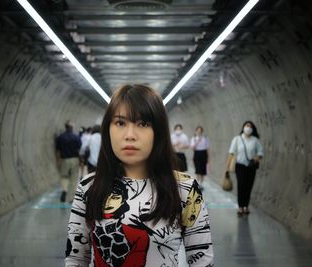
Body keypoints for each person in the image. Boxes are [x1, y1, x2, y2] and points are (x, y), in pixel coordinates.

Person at [65, 84, 213, 266]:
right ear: (108, 129)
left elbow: (202, 259)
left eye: (142, 123)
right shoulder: (89, 187)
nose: (130, 135)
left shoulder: (184, 189)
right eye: (120, 123)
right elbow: (76, 258)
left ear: (158, 131)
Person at [226, 121, 263, 216]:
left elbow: (260, 152)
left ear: (253, 129)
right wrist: (227, 167)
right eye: (247, 126)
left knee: (249, 186)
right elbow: (231, 152)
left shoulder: (255, 140)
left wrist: (257, 157)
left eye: (250, 126)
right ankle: (240, 207)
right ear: (243, 127)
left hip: (251, 167)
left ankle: (246, 206)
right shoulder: (237, 139)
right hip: (240, 166)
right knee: (241, 185)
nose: (248, 128)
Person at [55, 120, 82, 202]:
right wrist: (81, 160)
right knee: (74, 178)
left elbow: (58, 150)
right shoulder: (76, 137)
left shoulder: (60, 137)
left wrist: (58, 161)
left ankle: (64, 190)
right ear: (71, 128)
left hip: (64, 159)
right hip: (75, 159)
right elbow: (80, 148)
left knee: (64, 176)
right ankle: (71, 197)